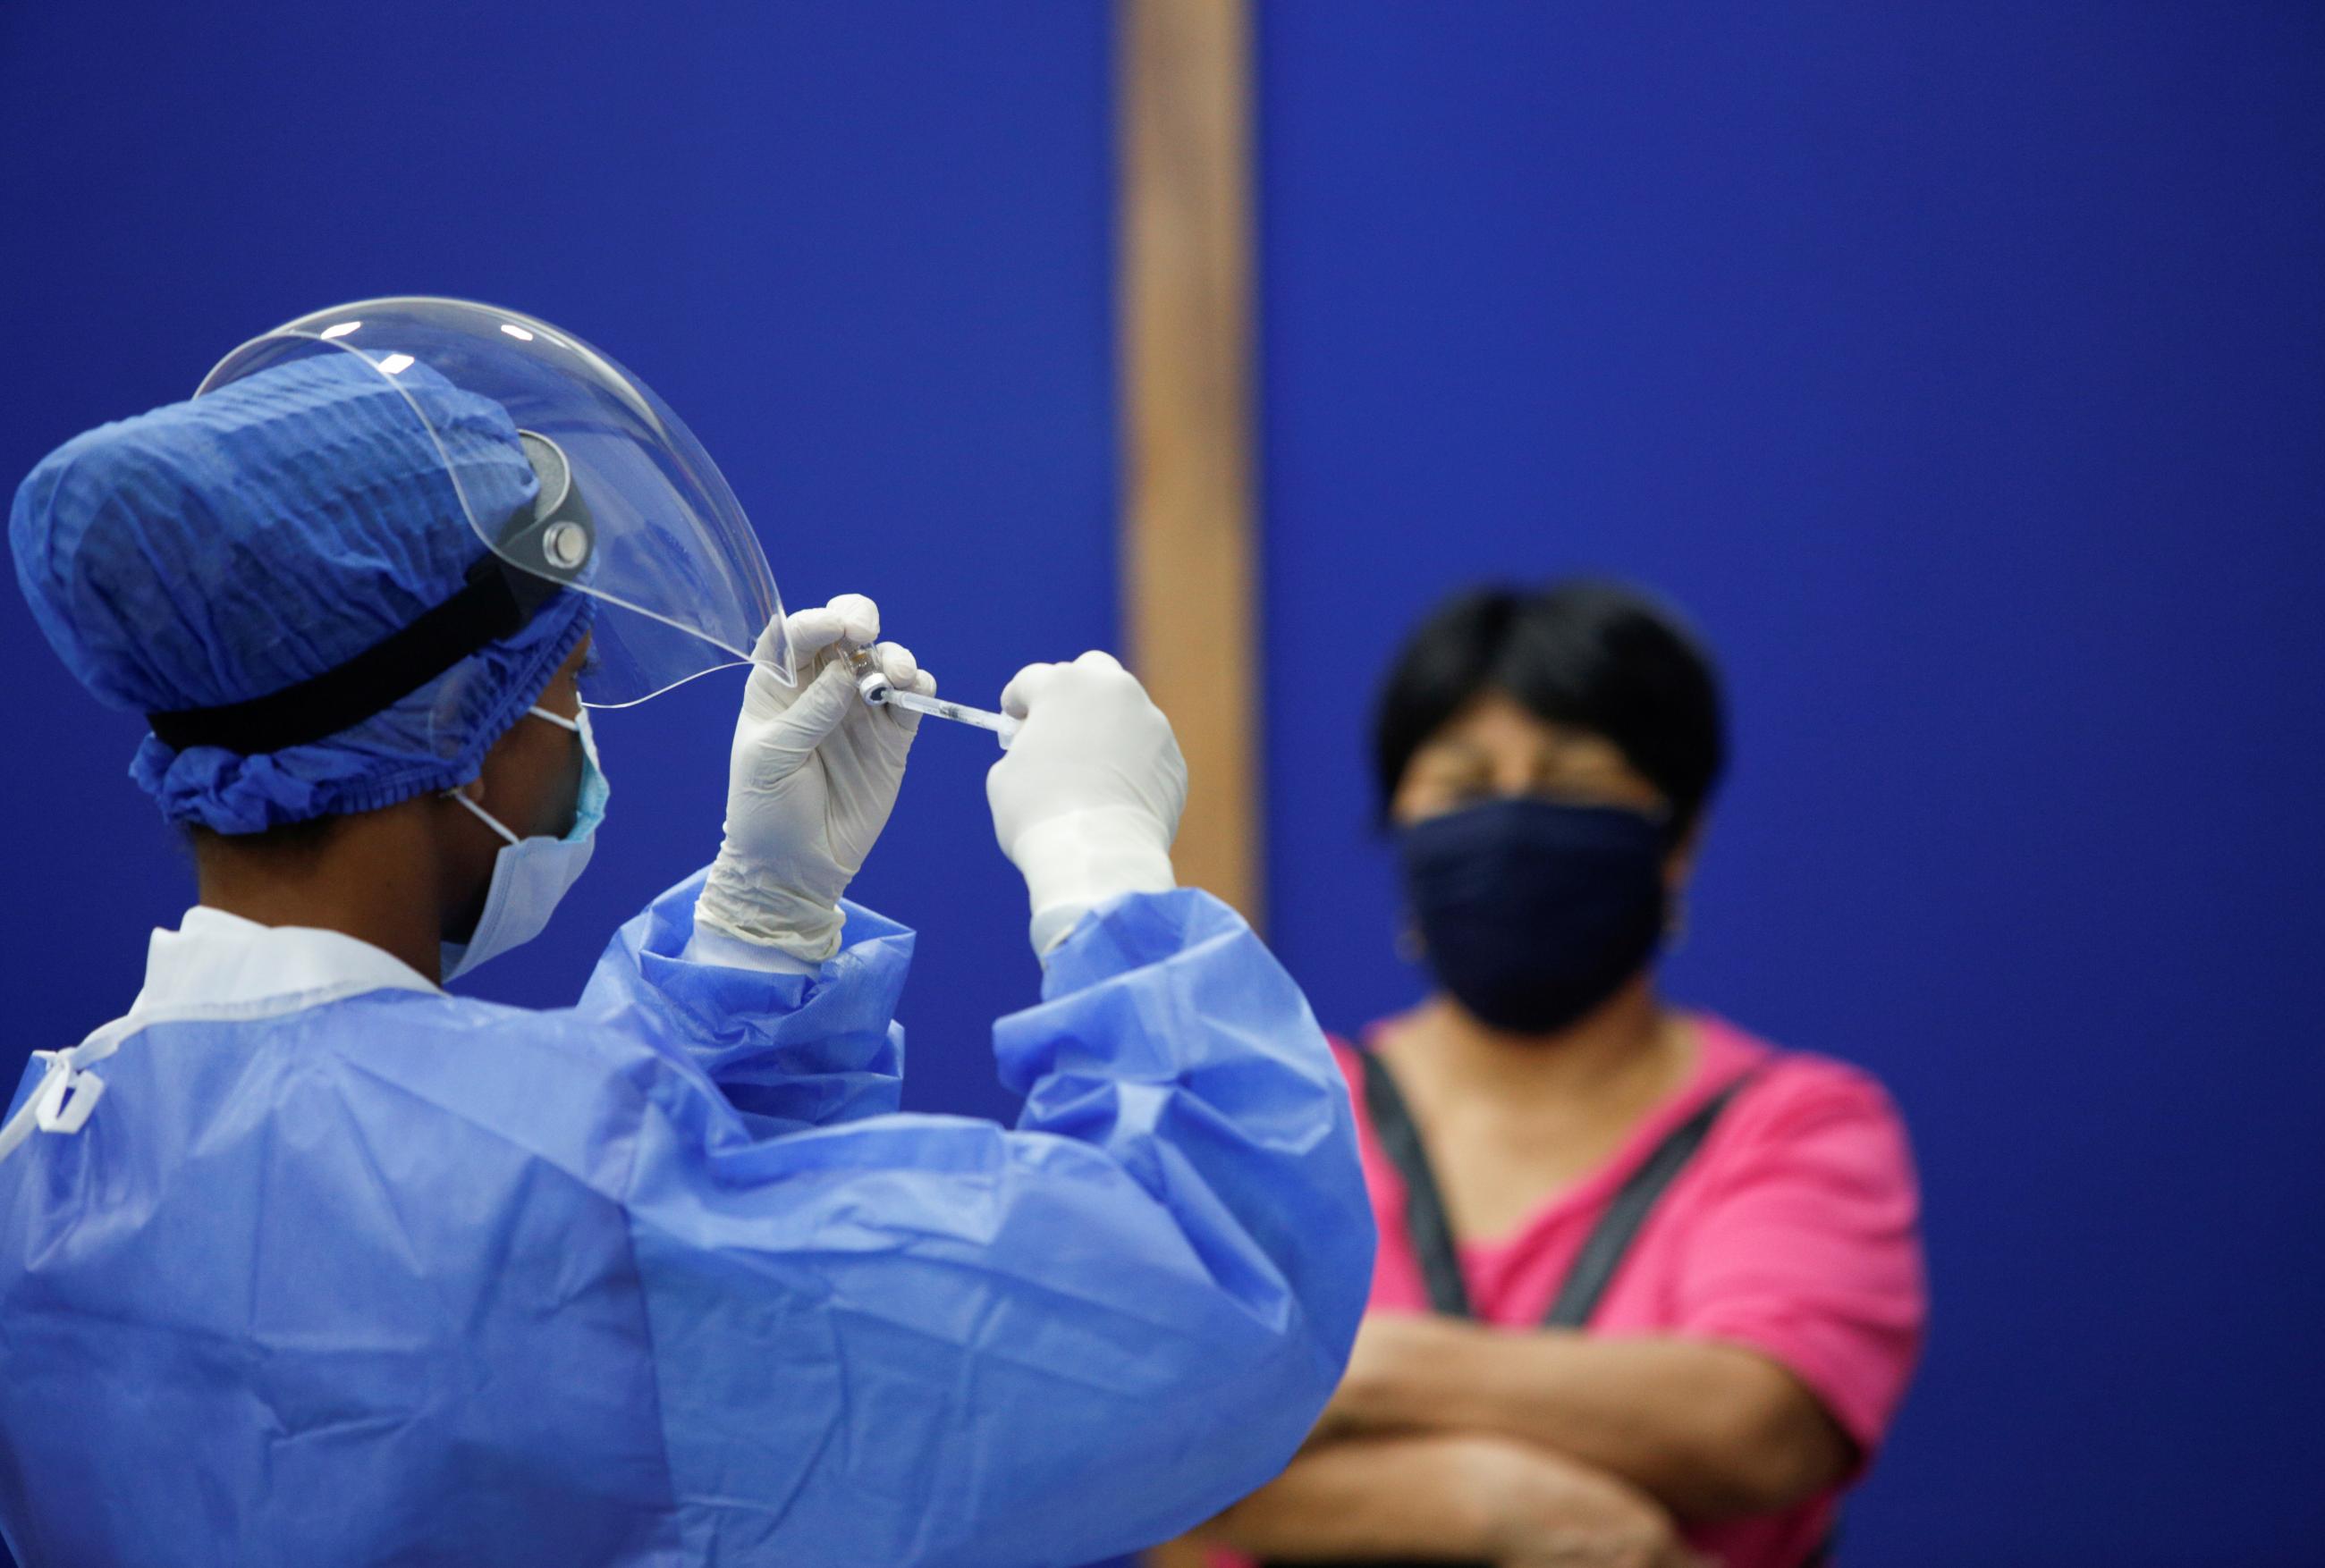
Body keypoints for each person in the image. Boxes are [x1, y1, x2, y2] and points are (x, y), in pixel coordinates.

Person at [0, 300, 1373, 1567]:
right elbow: (1218, 1287)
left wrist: (760, 924)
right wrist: (1100, 856)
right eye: (571, 683)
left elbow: (534, 1242)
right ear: (455, 737)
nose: (577, 739)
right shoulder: (564, 1201)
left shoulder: (43, 1168)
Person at [1184, 583, 1924, 1568]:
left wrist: (1361, 1373)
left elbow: (1754, 1426)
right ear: (1399, 829)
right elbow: (1153, 1463)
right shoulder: (1262, 1109)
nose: (1515, 821)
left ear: (1679, 839)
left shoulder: (1796, 1123)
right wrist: (1499, 1507)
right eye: (1462, 785)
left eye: (1574, 781)